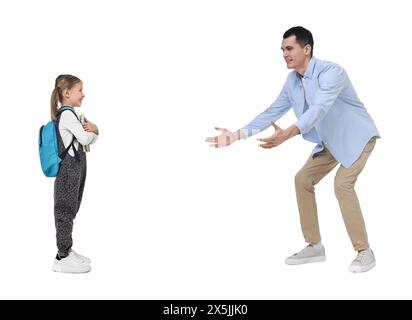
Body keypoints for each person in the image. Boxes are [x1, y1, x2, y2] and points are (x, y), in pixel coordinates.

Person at [206, 27, 380, 273]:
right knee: (302, 180)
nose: (284, 54)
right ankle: (315, 247)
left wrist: (288, 134)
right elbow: (273, 110)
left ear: (306, 49)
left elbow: (318, 109)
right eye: (282, 50)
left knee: (342, 185)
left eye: (289, 49)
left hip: (357, 138)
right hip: (329, 142)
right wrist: (237, 135)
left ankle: (365, 252)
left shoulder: (333, 72)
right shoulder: (292, 81)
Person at [50, 74, 99, 273]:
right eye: (79, 90)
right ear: (67, 93)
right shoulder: (68, 115)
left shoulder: (70, 114)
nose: (83, 94)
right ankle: (62, 257)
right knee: (65, 211)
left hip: (75, 169)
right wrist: (96, 130)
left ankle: (67, 250)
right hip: (69, 171)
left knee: (71, 209)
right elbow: (86, 138)